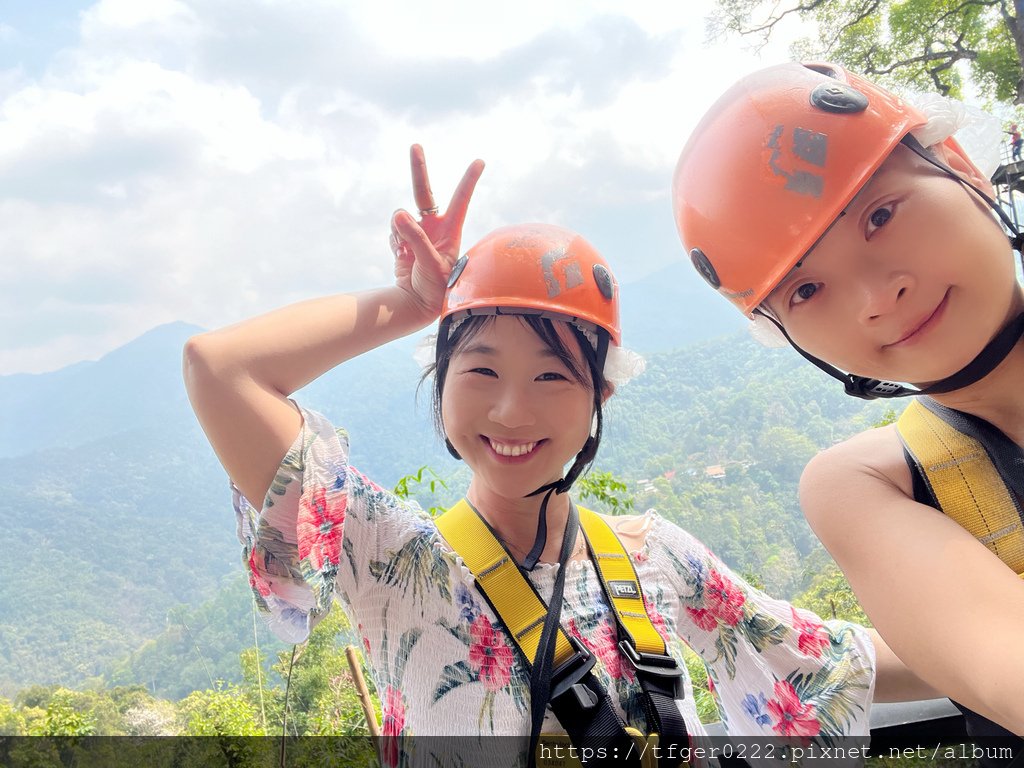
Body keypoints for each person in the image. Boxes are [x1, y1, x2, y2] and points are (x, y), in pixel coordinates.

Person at [184, 145, 920, 767]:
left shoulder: (654, 558)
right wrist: (411, 305)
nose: (512, 410)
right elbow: (221, 371)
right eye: (480, 371)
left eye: (551, 375)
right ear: (440, 384)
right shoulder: (394, 565)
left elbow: (824, 657)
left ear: (600, 393)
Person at [671, 61, 1024, 755]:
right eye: (804, 290)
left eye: (880, 215)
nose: (874, 297)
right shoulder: (871, 483)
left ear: (957, 164)